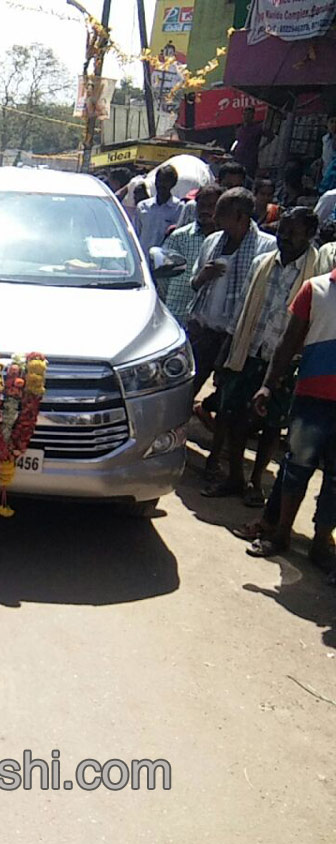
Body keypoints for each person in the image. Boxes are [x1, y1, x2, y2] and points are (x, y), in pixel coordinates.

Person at [202, 207, 320, 504]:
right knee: (235, 416)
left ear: (309, 235)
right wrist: (226, 353)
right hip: (250, 351)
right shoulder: (262, 263)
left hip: (285, 362)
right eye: (282, 230)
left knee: (271, 425)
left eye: (292, 233)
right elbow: (241, 311)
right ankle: (235, 478)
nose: (284, 238)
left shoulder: (316, 275)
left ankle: (256, 482)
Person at [239, 231, 336, 563]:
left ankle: (321, 544)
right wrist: (268, 383)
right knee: (296, 468)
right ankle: (279, 533)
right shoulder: (317, 290)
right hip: (312, 400)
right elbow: (288, 343)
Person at [187, 187, 276, 396]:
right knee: (187, 390)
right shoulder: (212, 241)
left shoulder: (266, 248)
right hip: (204, 332)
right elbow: (194, 283)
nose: (215, 217)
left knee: (227, 397)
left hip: (237, 339)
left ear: (240, 216)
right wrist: (203, 276)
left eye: (222, 212)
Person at [154, 183, 222, 322]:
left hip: (206, 320)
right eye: (201, 205)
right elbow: (163, 278)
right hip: (178, 312)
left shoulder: (225, 239)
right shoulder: (179, 237)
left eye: (211, 206)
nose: (205, 210)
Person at [135, 165, 184, 255]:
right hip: (143, 260)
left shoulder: (179, 208)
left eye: (165, 181)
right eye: (159, 180)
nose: (161, 185)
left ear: (173, 183)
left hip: (165, 262)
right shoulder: (143, 206)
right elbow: (136, 234)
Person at [232, 107, 267, 176]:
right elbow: (237, 141)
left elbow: (271, 136)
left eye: (248, 114)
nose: (246, 116)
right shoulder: (240, 129)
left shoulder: (258, 128)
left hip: (250, 158)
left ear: (252, 116)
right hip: (239, 157)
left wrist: (261, 147)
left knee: (248, 176)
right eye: (244, 114)